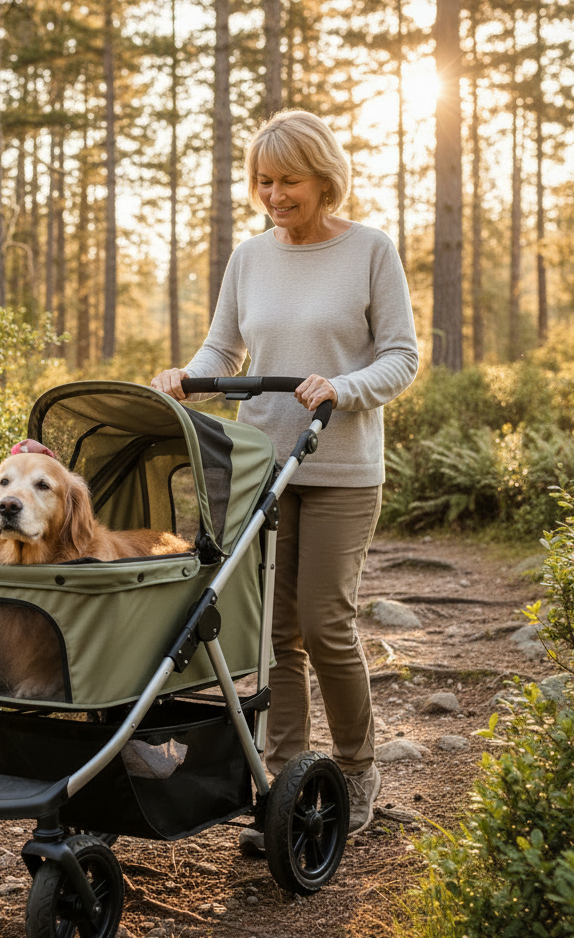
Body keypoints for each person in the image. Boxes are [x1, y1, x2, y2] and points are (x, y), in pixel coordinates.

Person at [150, 109, 419, 839]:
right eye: (263, 181)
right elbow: (222, 350)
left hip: (340, 467)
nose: (274, 194)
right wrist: (188, 376)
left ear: (323, 177)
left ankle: (359, 769)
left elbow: (402, 355)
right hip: (261, 469)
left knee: (326, 624)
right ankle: (285, 781)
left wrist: (343, 386)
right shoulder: (250, 257)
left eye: (288, 180)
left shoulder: (371, 251)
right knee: (274, 634)